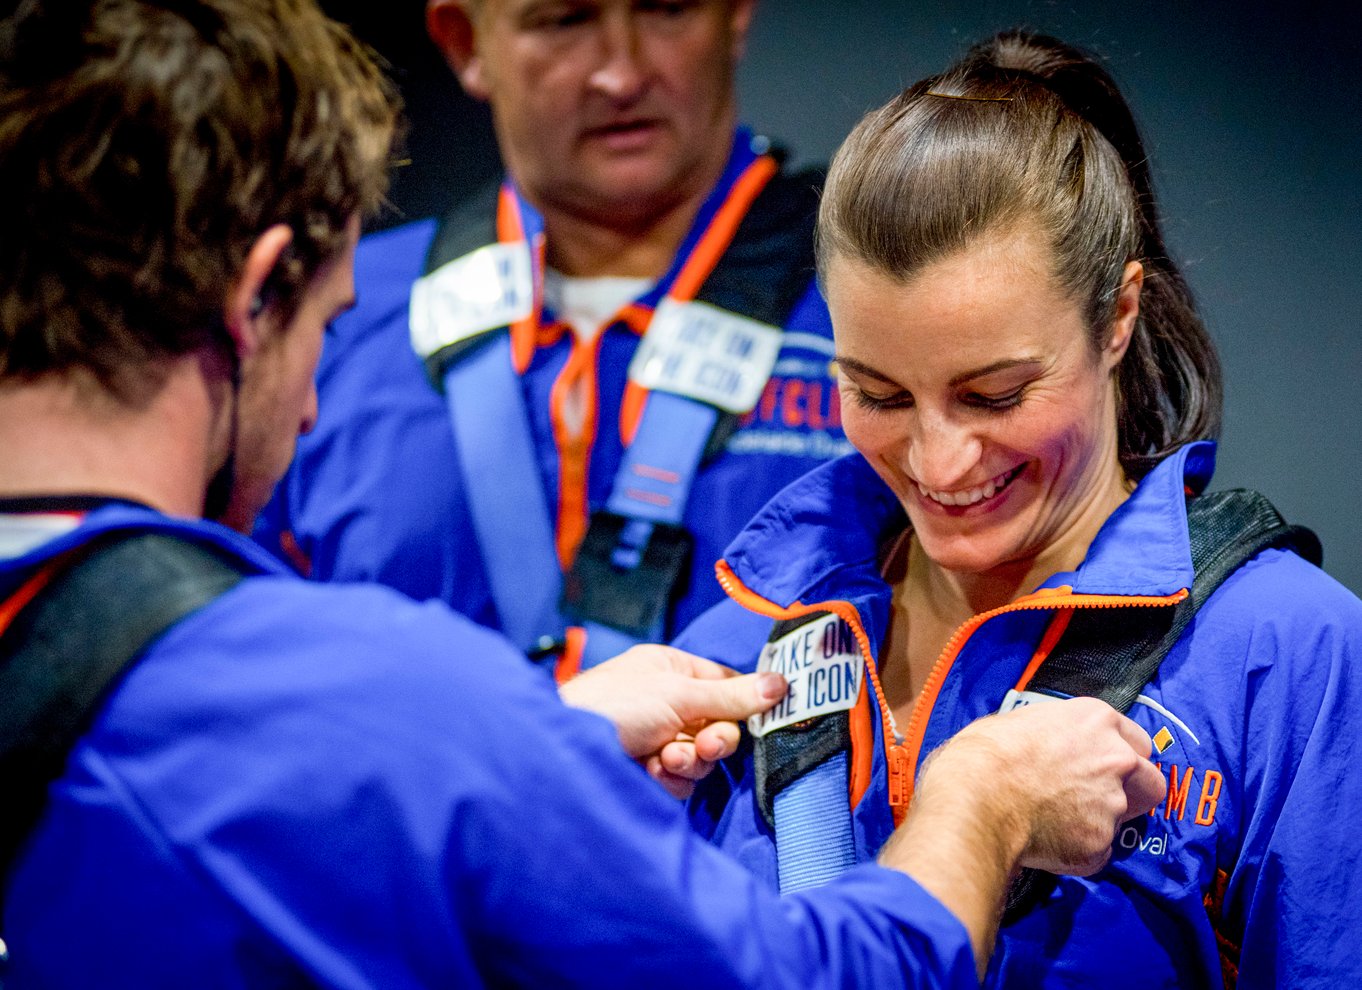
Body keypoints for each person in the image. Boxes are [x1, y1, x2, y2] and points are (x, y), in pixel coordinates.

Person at [0, 2, 1166, 985]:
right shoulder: (373, 692)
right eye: (327, 328)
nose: (313, 408)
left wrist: (530, 741)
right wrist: (984, 804)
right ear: (254, 302)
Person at [678, 29, 1362, 989]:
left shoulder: (1289, 659)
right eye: (876, 394)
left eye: (994, 395)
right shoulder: (733, 648)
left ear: (1118, 316)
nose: (937, 460)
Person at [253, 0, 854, 673]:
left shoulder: (876, 300)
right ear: (464, 42)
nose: (621, 75)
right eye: (564, 20)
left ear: (736, 14)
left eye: (666, 9)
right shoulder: (327, 317)